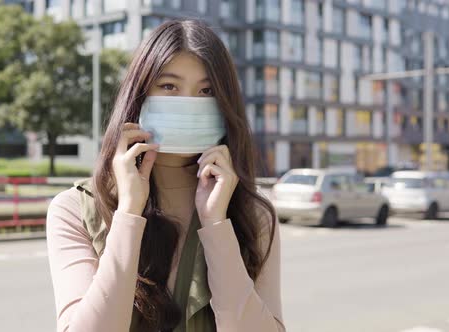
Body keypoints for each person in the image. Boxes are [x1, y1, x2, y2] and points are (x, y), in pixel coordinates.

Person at [46, 18, 285, 332]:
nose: (188, 103)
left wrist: (216, 224)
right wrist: (129, 212)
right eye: (169, 86)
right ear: (139, 96)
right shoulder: (77, 209)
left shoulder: (253, 215)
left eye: (207, 90)